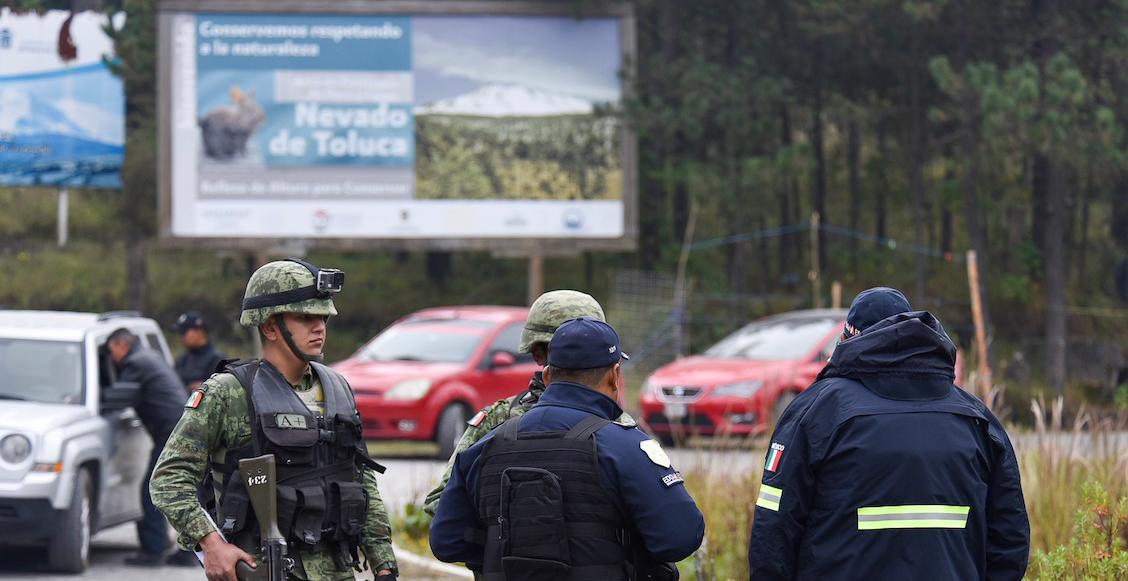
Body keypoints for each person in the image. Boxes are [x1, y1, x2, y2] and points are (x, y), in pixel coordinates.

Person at [747, 287, 1030, 581]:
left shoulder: (815, 411)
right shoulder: (976, 418)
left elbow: (773, 533)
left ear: (847, 338)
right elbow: (1010, 541)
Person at [150, 259, 398, 581]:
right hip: (264, 570)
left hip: (337, 571)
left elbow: (360, 480)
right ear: (269, 327)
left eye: (323, 317)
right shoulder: (230, 393)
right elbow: (169, 479)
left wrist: (384, 563)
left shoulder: (338, 389)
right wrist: (211, 544)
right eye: (305, 317)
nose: (319, 326)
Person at [430, 317, 704, 581]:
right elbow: (680, 538)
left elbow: (447, 543)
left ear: (547, 375)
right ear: (614, 375)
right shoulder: (627, 449)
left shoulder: (482, 449)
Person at [421, 289, 634, 519]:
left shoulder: (498, 420)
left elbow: (442, 506)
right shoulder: (620, 426)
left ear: (536, 353)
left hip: (505, 554)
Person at [106, 328, 196, 567]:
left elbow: (117, 398)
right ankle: (186, 551)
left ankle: (153, 551)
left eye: (110, 350)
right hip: (180, 431)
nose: (110, 356)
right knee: (181, 492)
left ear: (120, 345)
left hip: (172, 435)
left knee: (153, 492)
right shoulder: (149, 356)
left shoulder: (135, 363)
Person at [171, 311, 226, 393]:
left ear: (199, 332)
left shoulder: (217, 360)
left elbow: (223, 390)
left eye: (184, 333)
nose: (181, 337)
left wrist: (204, 387)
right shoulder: (182, 359)